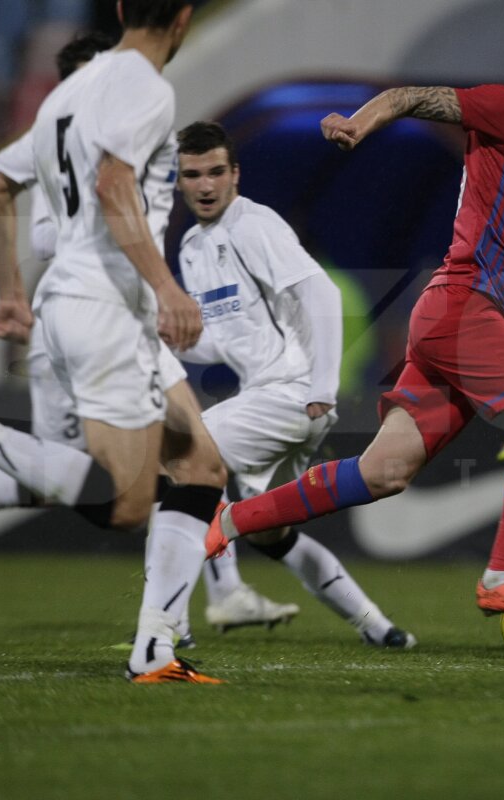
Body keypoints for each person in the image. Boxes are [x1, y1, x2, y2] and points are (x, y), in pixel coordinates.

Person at [203, 30, 504, 621]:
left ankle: (226, 522)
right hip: (467, 308)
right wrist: (361, 123)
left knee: (383, 472)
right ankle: (503, 576)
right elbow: (415, 95)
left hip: (450, 317)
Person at [0, 1, 229, 684]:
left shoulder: (70, 88)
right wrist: (166, 288)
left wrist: (10, 291)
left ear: (123, 8)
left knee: (201, 467)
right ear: (183, 17)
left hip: (71, 303)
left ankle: (156, 650)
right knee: (125, 505)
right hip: (107, 309)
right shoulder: (147, 88)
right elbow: (114, 182)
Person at [176, 121, 414, 647]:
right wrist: (173, 339)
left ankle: (207, 604)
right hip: (272, 395)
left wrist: (320, 388)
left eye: (217, 171)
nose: (206, 184)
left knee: (187, 458)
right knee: (268, 530)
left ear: (235, 175)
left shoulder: (254, 226)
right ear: (181, 182)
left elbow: (322, 294)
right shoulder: (193, 248)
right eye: (193, 175)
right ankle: (381, 629)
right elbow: (223, 341)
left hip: (292, 393)